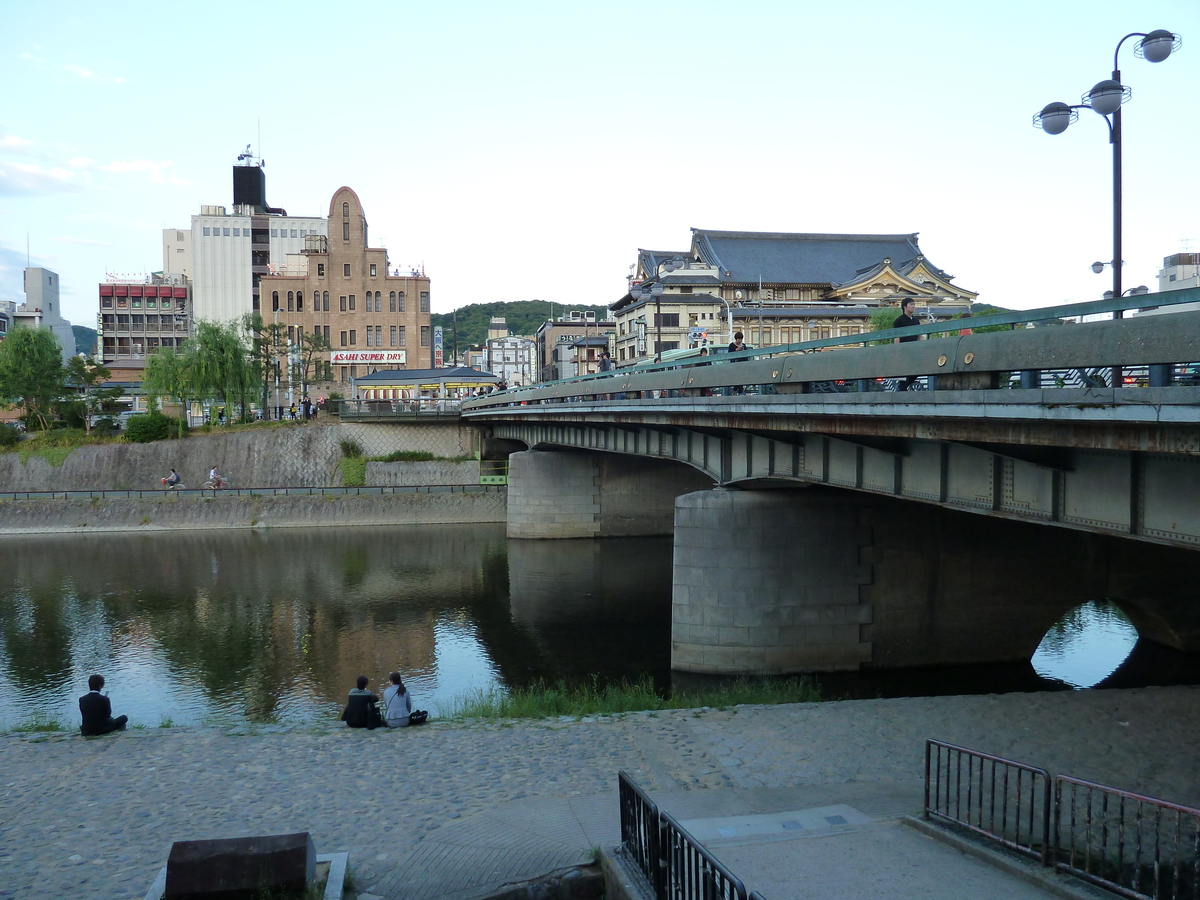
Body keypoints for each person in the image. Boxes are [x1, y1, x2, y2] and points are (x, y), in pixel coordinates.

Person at [892, 299, 923, 390]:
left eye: (914, 304)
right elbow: (897, 338)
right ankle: (901, 390)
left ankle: (903, 388)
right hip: (904, 350)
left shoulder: (916, 321)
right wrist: (897, 351)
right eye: (911, 304)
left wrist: (925, 346)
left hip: (914, 350)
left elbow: (920, 335)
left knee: (917, 371)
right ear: (905, 306)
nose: (913, 306)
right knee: (903, 374)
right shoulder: (899, 321)